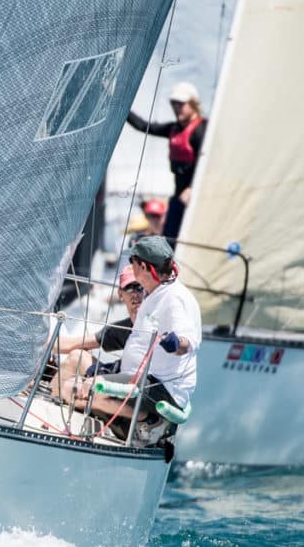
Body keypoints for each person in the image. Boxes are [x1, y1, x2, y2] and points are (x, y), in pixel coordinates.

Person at [64, 236, 202, 443]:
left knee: (87, 389)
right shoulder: (155, 292)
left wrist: (175, 344)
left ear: (145, 267)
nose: (131, 267)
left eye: (133, 263)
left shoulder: (174, 297)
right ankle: (121, 419)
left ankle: (153, 421)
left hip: (161, 388)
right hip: (141, 379)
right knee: (69, 384)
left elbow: (188, 341)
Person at [126, 82, 206, 243]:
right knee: (168, 240)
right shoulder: (174, 129)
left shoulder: (201, 130)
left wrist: (192, 188)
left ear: (193, 104)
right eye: (174, 104)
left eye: (181, 104)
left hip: (197, 198)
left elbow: (207, 163)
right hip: (178, 197)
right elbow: (143, 126)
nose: (177, 108)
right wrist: (120, 106)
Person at [51, 265, 144, 401]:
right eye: (129, 288)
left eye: (140, 287)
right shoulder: (124, 327)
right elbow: (74, 344)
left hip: (136, 388)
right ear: (120, 294)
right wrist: (38, 343)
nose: (135, 293)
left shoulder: (152, 323)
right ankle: (51, 398)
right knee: (78, 356)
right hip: (115, 377)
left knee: (73, 385)